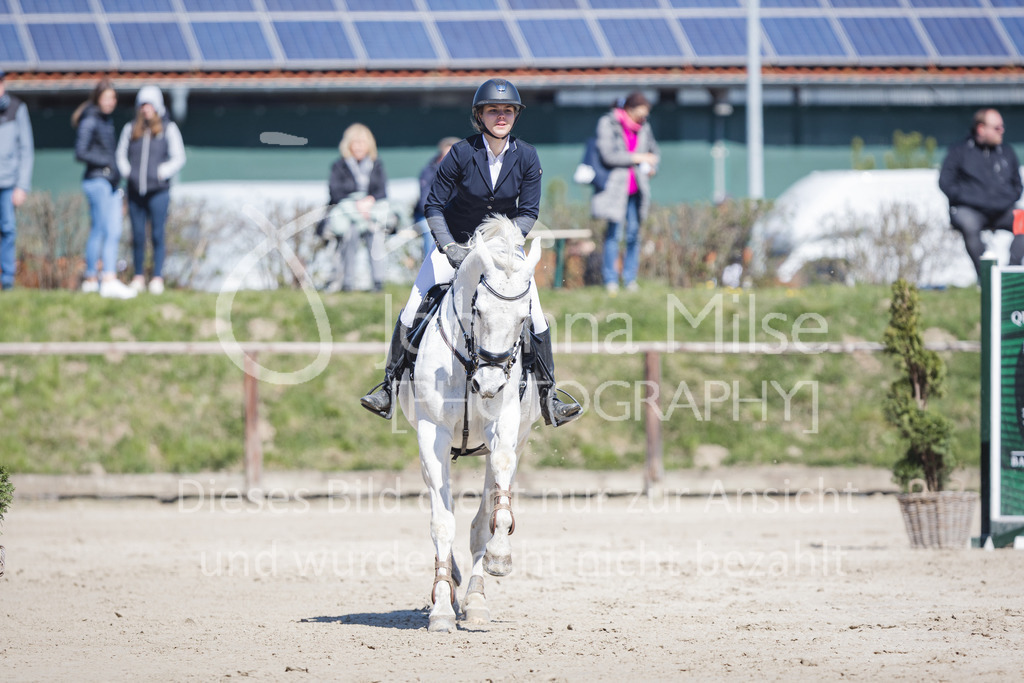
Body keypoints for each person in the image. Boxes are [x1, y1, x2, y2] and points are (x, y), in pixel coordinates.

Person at [359, 78, 582, 427]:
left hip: (503, 250)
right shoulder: (462, 153)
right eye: (494, 110)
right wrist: (449, 247)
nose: (502, 116)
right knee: (412, 307)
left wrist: (507, 245)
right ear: (480, 115)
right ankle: (387, 387)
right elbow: (433, 205)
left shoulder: (526, 156)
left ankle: (549, 395)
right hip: (457, 244)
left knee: (536, 315)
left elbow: (528, 212)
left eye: (508, 110)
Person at [116, 85, 186, 295]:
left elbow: (179, 157)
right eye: (142, 105)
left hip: (159, 191)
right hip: (135, 191)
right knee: (137, 235)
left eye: (149, 105)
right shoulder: (131, 129)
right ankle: (138, 276)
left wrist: (161, 172)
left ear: (156, 107)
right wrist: (129, 173)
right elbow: (121, 155)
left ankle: (157, 277)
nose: (145, 109)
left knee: (157, 234)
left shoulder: (168, 129)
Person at [939, 107, 1024, 281]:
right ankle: (986, 278)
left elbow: (1017, 186)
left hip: (1002, 211)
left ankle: (1010, 273)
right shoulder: (959, 152)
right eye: (997, 127)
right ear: (981, 129)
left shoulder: (1006, 152)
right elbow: (946, 182)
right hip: (971, 210)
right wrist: (969, 199)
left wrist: (1003, 200)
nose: (1002, 131)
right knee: (968, 223)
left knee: (1022, 220)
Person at [590, 92, 660, 295]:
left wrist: (652, 164)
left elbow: (654, 151)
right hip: (615, 190)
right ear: (628, 110)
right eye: (639, 114)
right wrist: (638, 157)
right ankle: (610, 279)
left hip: (637, 189)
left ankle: (630, 279)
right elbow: (608, 155)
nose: (642, 119)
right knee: (613, 235)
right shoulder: (608, 123)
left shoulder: (644, 127)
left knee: (633, 235)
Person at [73, 78, 136, 299]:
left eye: (114, 98)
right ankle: (93, 278)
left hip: (111, 183)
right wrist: (107, 163)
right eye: (107, 97)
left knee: (113, 230)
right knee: (100, 229)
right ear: (98, 98)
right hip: (97, 181)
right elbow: (80, 152)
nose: (111, 102)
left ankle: (106, 278)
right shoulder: (90, 120)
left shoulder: (106, 121)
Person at [323, 123, 389, 292]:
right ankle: (347, 282)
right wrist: (355, 204)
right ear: (348, 145)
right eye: (355, 143)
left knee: (375, 236)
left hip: (370, 212)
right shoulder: (339, 166)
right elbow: (335, 192)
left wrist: (369, 201)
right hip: (347, 213)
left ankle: (377, 282)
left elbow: (381, 190)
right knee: (349, 235)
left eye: (362, 143)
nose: (359, 147)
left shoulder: (377, 165)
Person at [0, 69, 33, 291]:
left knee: (8, 229)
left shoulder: (17, 109)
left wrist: (22, 185)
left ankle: (8, 280)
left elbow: (26, 150)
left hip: (8, 182)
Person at [413, 136, 461, 258]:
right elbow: (425, 202)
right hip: (429, 215)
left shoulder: (464, 171)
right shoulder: (429, 171)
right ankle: (431, 264)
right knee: (431, 229)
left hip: (455, 215)